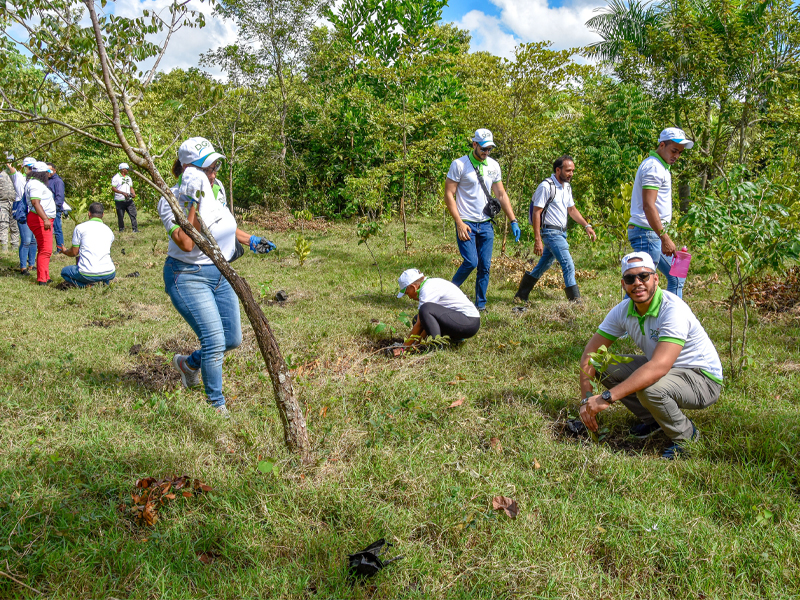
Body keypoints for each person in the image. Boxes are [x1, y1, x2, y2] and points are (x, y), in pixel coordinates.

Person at [160, 137, 276, 418]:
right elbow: (188, 243)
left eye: (214, 167)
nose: (213, 174)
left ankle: (188, 365)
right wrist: (193, 201)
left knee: (232, 339)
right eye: (207, 169)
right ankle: (217, 407)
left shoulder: (217, 189)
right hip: (187, 275)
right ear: (189, 170)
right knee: (213, 340)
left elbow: (221, 226)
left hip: (221, 272)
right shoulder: (169, 201)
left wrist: (250, 240)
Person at [578, 252, 723, 459]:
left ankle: (687, 437)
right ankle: (654, 419)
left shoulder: (672, 310)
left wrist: (606, 398)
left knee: (651, 389)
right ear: (623, 284)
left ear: (656, 278)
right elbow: (590, 355)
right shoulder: (623, 311)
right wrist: (586, 398)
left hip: (702, 378)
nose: (637, 283)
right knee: (601, 364)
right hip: (667, 371)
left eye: (644, 276)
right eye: (630, 279)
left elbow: (658, 368)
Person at [445, 128, 520, 311]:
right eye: (483, 148)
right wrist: (459, 222)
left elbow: (501, 194)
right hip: (467, 223)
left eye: (489, 149)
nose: (486, 152)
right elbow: (449, 194)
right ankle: (446, 294)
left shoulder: (493, 166)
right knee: (471, 262)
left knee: (485, 266)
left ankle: (481, 305)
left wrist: (513, 220)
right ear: (474, 145)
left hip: (486, 224)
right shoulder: (459, 165)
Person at [514, 156, 596, 303]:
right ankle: (576, 302)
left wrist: (586, 225)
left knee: (543, 265)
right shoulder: (546, 186)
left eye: (572, 171)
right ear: (558, 170)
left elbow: (572, 210)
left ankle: (521, 295)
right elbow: (536, 212)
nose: (571, 174)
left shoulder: (567, 187)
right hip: (550, 232)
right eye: (568, 170)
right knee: (568, 264)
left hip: (561, 232)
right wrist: (537, 239)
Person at [628, 127, 694, 298]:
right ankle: (623, 321)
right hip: (647, 234)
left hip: (652, 233)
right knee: (640, 284)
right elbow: (648, 206)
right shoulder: (654, 167)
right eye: (674, 151)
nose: (677, 156)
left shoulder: (660, 166)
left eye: (679, 153)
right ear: (662, 145)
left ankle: (673, 319)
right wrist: (664, 237)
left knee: (677, 276)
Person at [393, 268, 481, 355]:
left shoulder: (427, 289)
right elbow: (426, 323)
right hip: (462, 320)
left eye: (407, 293)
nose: (409, 297)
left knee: (425, 310)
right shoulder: (430, 283)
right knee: (418, 318)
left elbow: (420, 324)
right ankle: (454, 340)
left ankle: (437, 347)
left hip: (469, 322)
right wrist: (415, 346)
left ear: (413, 287)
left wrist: (403, 348)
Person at [57, 202, 116, 287]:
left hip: (87, 272)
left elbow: (74, 253)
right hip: (109, 272)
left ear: (89, 213)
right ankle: (103, 284)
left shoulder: (80, 228)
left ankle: (87, 285)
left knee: (64, 272)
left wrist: (65, 251)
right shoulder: (109, 231)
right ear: (103, 214)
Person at [24, 161, 57, 285]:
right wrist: (45, 219)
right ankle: (42, 279)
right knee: (45, 250)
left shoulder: (36, 183)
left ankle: (46, 275)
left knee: (44, 248)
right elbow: (35, 203)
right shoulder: (35, 185)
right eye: (46, 173)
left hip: (43, 218)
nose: (48, 175)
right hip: (40, 218)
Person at [8, 157, 37, 274]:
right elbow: (10, 167)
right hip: (22, 211)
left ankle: (31, 264)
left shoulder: (34, 180)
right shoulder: (18, 177)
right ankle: (23, 267)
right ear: (24, 167)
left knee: (34, 240)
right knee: (26, 240)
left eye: (32, 167)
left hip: (33, 211)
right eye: (29, 167)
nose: (31, 169)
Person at [111, 163, 137, 232]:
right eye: (127, 169)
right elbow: (113, 188)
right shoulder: (116, 177)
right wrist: (122, 193)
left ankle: (135, 229)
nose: (128, 170)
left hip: (129, 199)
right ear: (123, 169)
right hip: (119, 200)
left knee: (133, 214)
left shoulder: (128, 178)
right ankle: (121, 229)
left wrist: (133, 193)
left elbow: (131, 187)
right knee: (121, 216)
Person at [0, 163, 20, 253]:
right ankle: (4, 247)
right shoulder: (1, 174)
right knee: (3, 224)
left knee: (15, 225)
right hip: (2, 203)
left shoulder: (17, 174)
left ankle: (15, 247)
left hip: (15, 203)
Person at [46, 162, 66, 252]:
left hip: (55, 209)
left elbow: (60, 196)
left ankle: (60, 248)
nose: (48, 172)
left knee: (57, 229)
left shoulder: (58, 181)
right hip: (46, 209)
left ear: (54, 170)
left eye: (50, 170)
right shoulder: (45, 180)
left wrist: (55, 207)